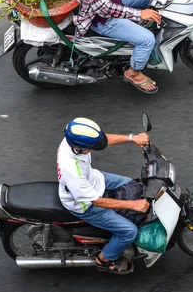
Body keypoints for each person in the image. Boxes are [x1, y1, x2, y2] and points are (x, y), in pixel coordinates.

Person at [57, 117, 150, 275]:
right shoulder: (73, 173)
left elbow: (103, 139)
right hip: (87, 205)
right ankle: (105, 259)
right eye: (92, 147)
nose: (95, 148)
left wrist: (133, 138)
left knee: (134, 185)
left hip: (95, 179)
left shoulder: (72, 139)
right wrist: (133, 205)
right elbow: (97, 201)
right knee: (129, 232)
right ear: (79, 148)